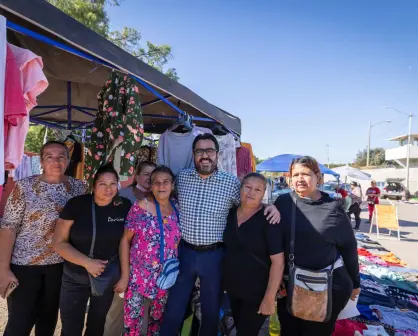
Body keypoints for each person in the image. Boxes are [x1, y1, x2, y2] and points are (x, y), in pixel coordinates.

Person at [160, 133, 281, 336]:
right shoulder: (181, 178)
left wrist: (272, 207)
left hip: (214, 257)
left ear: (217, 154)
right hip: (185, 253)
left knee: (210, 311)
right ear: (194, 154)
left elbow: (250, 201)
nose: (204, 155)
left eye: (209, 151)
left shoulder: (231, 183)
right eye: (200, 151)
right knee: (174, 308)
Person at [0, 141, 86, 336]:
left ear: (68, 160)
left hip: (60, 265)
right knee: (20, 322)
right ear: (41, 161)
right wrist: (3, 269)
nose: (56, 161)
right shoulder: (25, 187)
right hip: (24, 265)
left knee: (47, 321)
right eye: (50, 156)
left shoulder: (78, 188)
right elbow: (8, 228)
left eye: (61, 156)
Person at [274, 156, 360, 335]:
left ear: (318, 177)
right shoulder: (282, 203)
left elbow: (349, 247)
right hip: (290, 286)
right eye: (295, 174)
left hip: (327, 288)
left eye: (305, 174)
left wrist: (356, 282)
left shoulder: (333, 207)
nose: (300, 178)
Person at [53, 164, 132, 336]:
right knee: (71, 328)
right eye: (103, 183)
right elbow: (58, 242)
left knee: (97, 326)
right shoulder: (77, 204)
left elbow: (124, 243)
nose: (108, 189)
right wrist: (87, 263)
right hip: (75, 276)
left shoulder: (124, 206)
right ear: (94, 185)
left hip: (106, 278)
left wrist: (125, 276)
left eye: (113, 183)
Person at [118, 166, 181, 335]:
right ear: (151, 186)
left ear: (172, 185)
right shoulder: (140, 207)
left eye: (165, 182)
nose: (161, 186)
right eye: (156, 182)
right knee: (132, 324)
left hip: (165, 277)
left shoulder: (177, 208)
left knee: (157, 323)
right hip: (138, 276)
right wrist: (125, 276)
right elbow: (125, 240)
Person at [223, 173, 285, 335]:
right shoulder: (229, 214)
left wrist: (269, 298)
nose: (251, 192)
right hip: (234, 289)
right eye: (248, 187)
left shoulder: (268, 219)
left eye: (257, 189)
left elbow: (278, 262)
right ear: (241, 188)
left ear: (263, 194)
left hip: (257, 293)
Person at [104, 161, 157, 336]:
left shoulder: (159, 200)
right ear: (137, 176)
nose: (150, 178)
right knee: (117, 307)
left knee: (144, 310)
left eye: (153, 174)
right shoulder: (123, 195)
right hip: (121, 258)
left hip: (146, 266)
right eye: (146, 174)